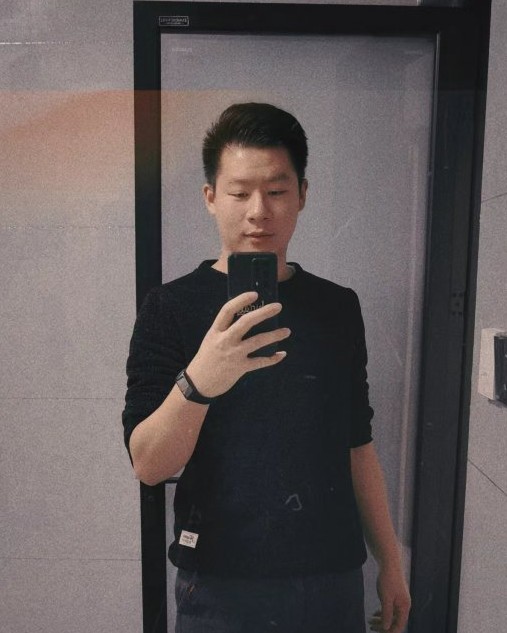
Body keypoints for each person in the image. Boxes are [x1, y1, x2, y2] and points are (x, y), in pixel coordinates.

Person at [122, 103, 411, 633]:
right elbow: (149, 464)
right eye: (239, 193)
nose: (259, 211)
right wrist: (200, 381)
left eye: (277, 191)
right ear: (210, 198)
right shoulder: (169, 308)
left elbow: (357, 443)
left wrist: (390, 561)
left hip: (330, 577)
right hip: (220, 583)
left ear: (302, 195)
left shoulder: (337, 307)